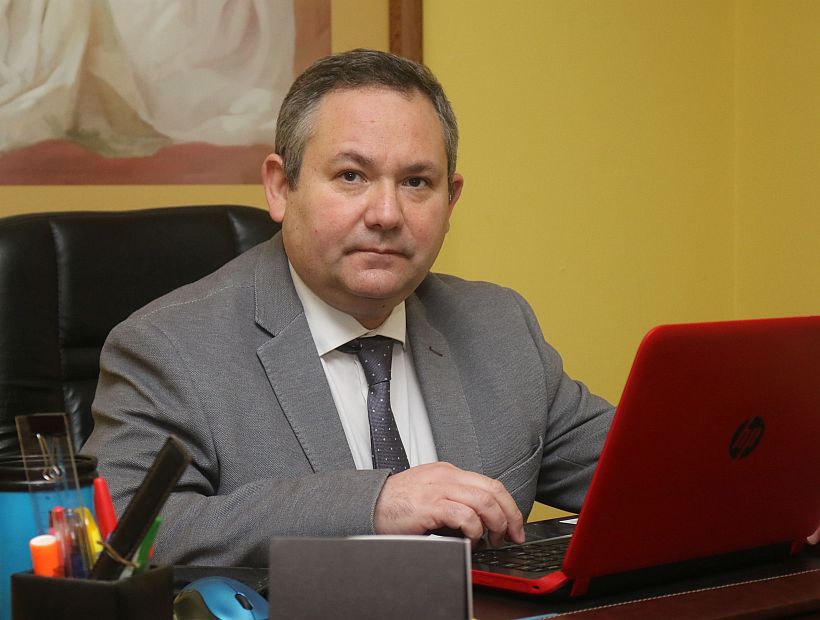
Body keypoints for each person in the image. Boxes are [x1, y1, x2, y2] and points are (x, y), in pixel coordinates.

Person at [81, 48, 615, 567]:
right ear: (280, 187)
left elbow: (640, 472)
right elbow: (123, 536)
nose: (386, 214)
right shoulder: (169, 348)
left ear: (450, 200)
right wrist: (373, 504)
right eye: (351, 176)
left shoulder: (498, 325)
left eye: (416, 182)